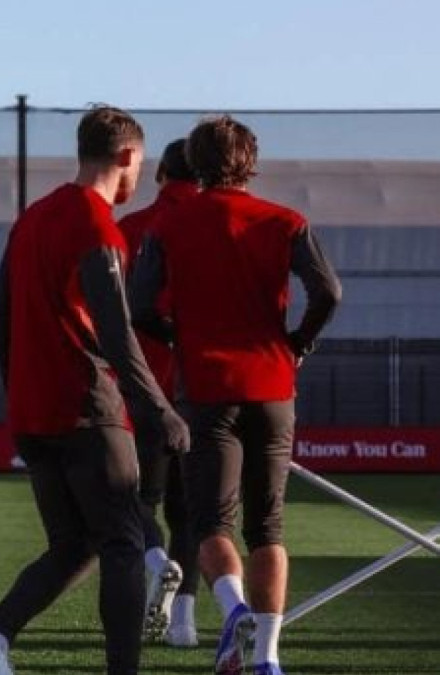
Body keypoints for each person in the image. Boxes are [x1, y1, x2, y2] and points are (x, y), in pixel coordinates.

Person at [0, 105, 190, 675]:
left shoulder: (32, 219)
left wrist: (20, 394)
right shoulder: (97, 226)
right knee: (123, 542)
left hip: (34, 415)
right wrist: (162, 409)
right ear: (129, 156)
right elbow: (117, 333)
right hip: (88, 411)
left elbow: (0, 317)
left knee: (74, 545)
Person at [129, 115, 341, 675]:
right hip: (273, 386)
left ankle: (233, 611)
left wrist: (181, 334)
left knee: (210, 522)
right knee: (268, 528)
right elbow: (328, 290)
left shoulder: (170, 227)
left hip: (206, 388)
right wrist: (299, 342)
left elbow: (141, 306)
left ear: (196, 162)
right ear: (251, 159)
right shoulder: (286, 220)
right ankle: (267, 657)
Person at [116, 138, 201, 647]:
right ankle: (185, 621)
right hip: (205, 390)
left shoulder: (131, 229)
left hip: (145, 385)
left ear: (160, 173)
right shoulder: (224, 226)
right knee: (191, 511)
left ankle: (153, 563)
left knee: (137, 501)